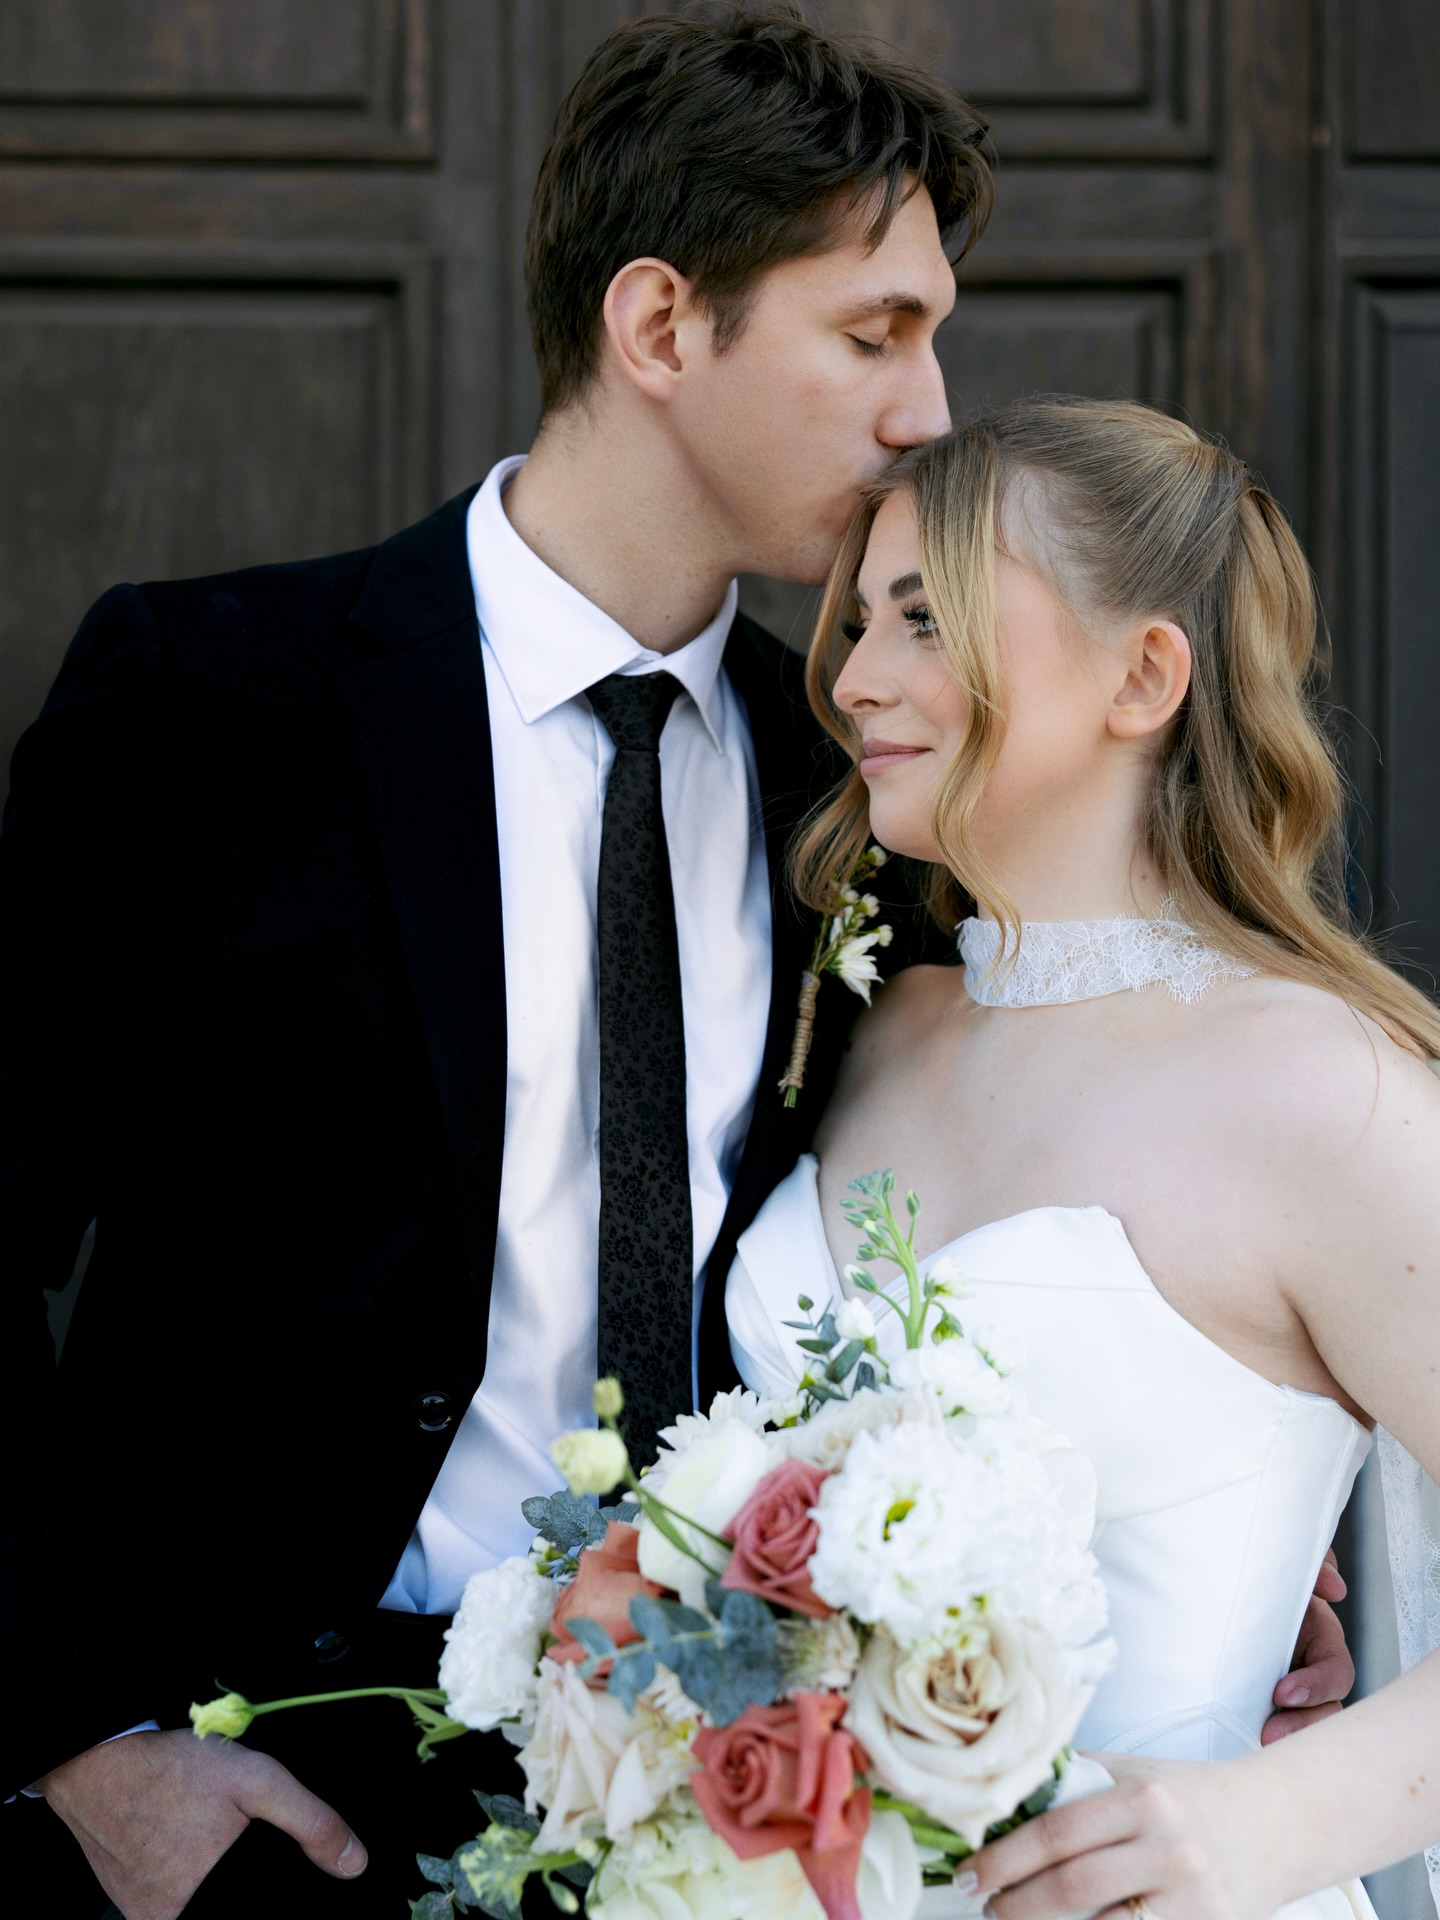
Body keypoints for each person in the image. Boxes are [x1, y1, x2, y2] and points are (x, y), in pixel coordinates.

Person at [0, 7, 1348, 1913]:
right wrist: (76, 1741)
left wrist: (1215, 1514)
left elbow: (1000, 1207)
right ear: (657, 328)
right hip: (252, 1807)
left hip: (741, 1812)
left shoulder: (869, 802)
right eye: (873, 333)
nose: (927, 410)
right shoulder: (212, 704)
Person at [726, 395, 1440, 1920]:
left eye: (927, 620)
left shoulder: (1322, 1087)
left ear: (1144, 675)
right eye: (858, 622)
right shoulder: (861, 1027)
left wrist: (1284, 1821)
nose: (855, 679)